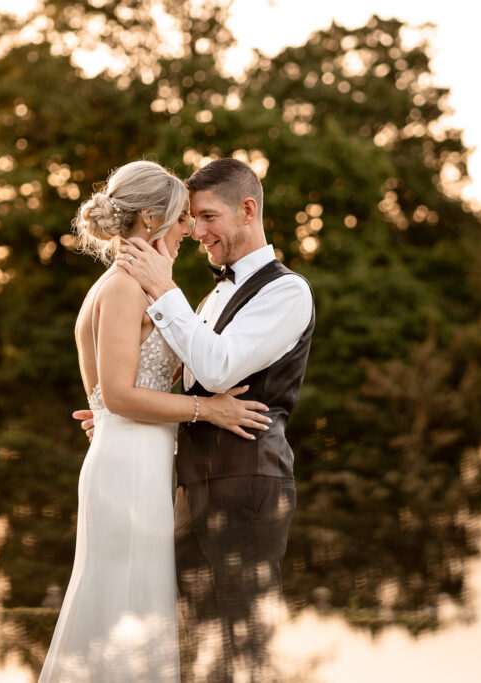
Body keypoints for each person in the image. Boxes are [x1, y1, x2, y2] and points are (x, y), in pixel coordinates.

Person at [39, 160, 272, 683]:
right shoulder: (122, 287)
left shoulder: (125, 285)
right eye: (181, 217)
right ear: (151, 219)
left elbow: (108, 399)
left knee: (132, 610)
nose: (190, 229)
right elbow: (119, 396)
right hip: (127, 468)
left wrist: (114, 416)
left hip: (132, 459)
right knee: (123, 608)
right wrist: (207, 409)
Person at [84, 158, 316, 681]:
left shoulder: (287, 291)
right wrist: (119, 415)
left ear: (248, 210)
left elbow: (215, 372)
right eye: (190, 217)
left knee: (247, 645)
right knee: (194, 651)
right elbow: (181, 392)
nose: (196, 231)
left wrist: (166, 292)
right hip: (187, 491)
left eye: (208, 217)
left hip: (247, 488)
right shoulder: (210, 297)